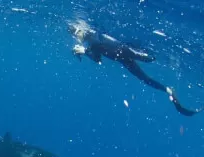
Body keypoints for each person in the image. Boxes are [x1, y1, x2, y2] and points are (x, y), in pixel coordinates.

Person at [69, 21, 201, 117]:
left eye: (76, 32)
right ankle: (168, 90)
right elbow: (98, 60)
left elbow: (98, 43)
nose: (77, 36)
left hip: (127, 50)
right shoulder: (90, 43)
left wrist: (85, 51)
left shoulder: (92, 34)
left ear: (80, 29)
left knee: (150, 58)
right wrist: (84, 52)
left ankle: (174, 55)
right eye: (74, 35)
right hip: (123, 59)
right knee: (145, 79)